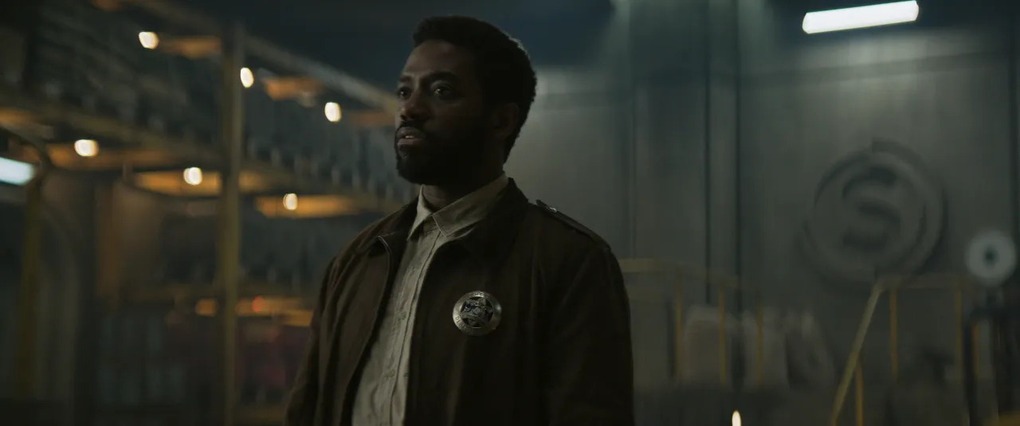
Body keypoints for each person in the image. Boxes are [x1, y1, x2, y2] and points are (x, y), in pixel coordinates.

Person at [284, 15, 634, 426]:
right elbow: (307, 409)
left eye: (441, 91)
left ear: (501, 121)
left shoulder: (567, 263)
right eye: (404, 91)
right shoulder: (359, 260)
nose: (410, 109)